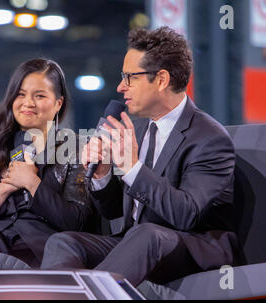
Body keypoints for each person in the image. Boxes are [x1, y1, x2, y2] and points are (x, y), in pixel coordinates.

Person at [39, 27, 240, 287]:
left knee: (147, 236)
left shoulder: (210, 139)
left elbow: (186, 214)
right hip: (134, 241)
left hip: (190, 246)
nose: (121, 87)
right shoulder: (139, 128)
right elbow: (114, 211)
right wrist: (102, 175)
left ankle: (87, 300)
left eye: (129, 77)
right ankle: (58, 302)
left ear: (161, 79)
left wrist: (132, 168)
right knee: (64, 242)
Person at [0, 58, 97, 268]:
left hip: (37, 251)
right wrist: (5, 187)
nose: (28, 103)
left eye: (40, 96)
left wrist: (32, 184)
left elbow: (76, 221)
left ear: (58, 103)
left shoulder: (75, 148)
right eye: (21, 94)